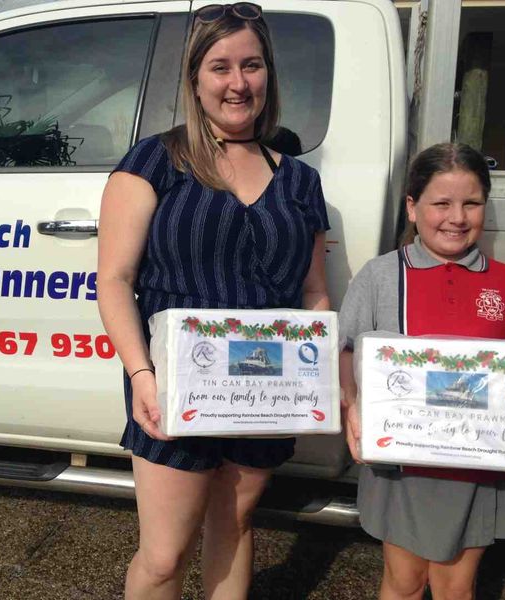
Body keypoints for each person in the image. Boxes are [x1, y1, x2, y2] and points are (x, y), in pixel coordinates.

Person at [96, 3, 330, 598]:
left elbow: (313, 292)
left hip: (264, 384)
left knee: (236, 525)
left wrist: (317, 375)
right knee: (165, 554)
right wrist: (142, 375)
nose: (238, 82)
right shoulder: (155, 161)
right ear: (196, 79)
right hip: (176, 383)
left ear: (268, 75)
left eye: (251, 65)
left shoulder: (301, 181)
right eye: (220, 66)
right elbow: (115, 281)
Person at [338, 142, 505, 600]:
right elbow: (346, 349)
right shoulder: (382, 276)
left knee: (454, 587)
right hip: (402, 463)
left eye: (472, 203)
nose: (456, 217)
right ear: (412, 206)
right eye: (441, 203)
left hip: (479, 464)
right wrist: (353, 404)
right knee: (404, 582)